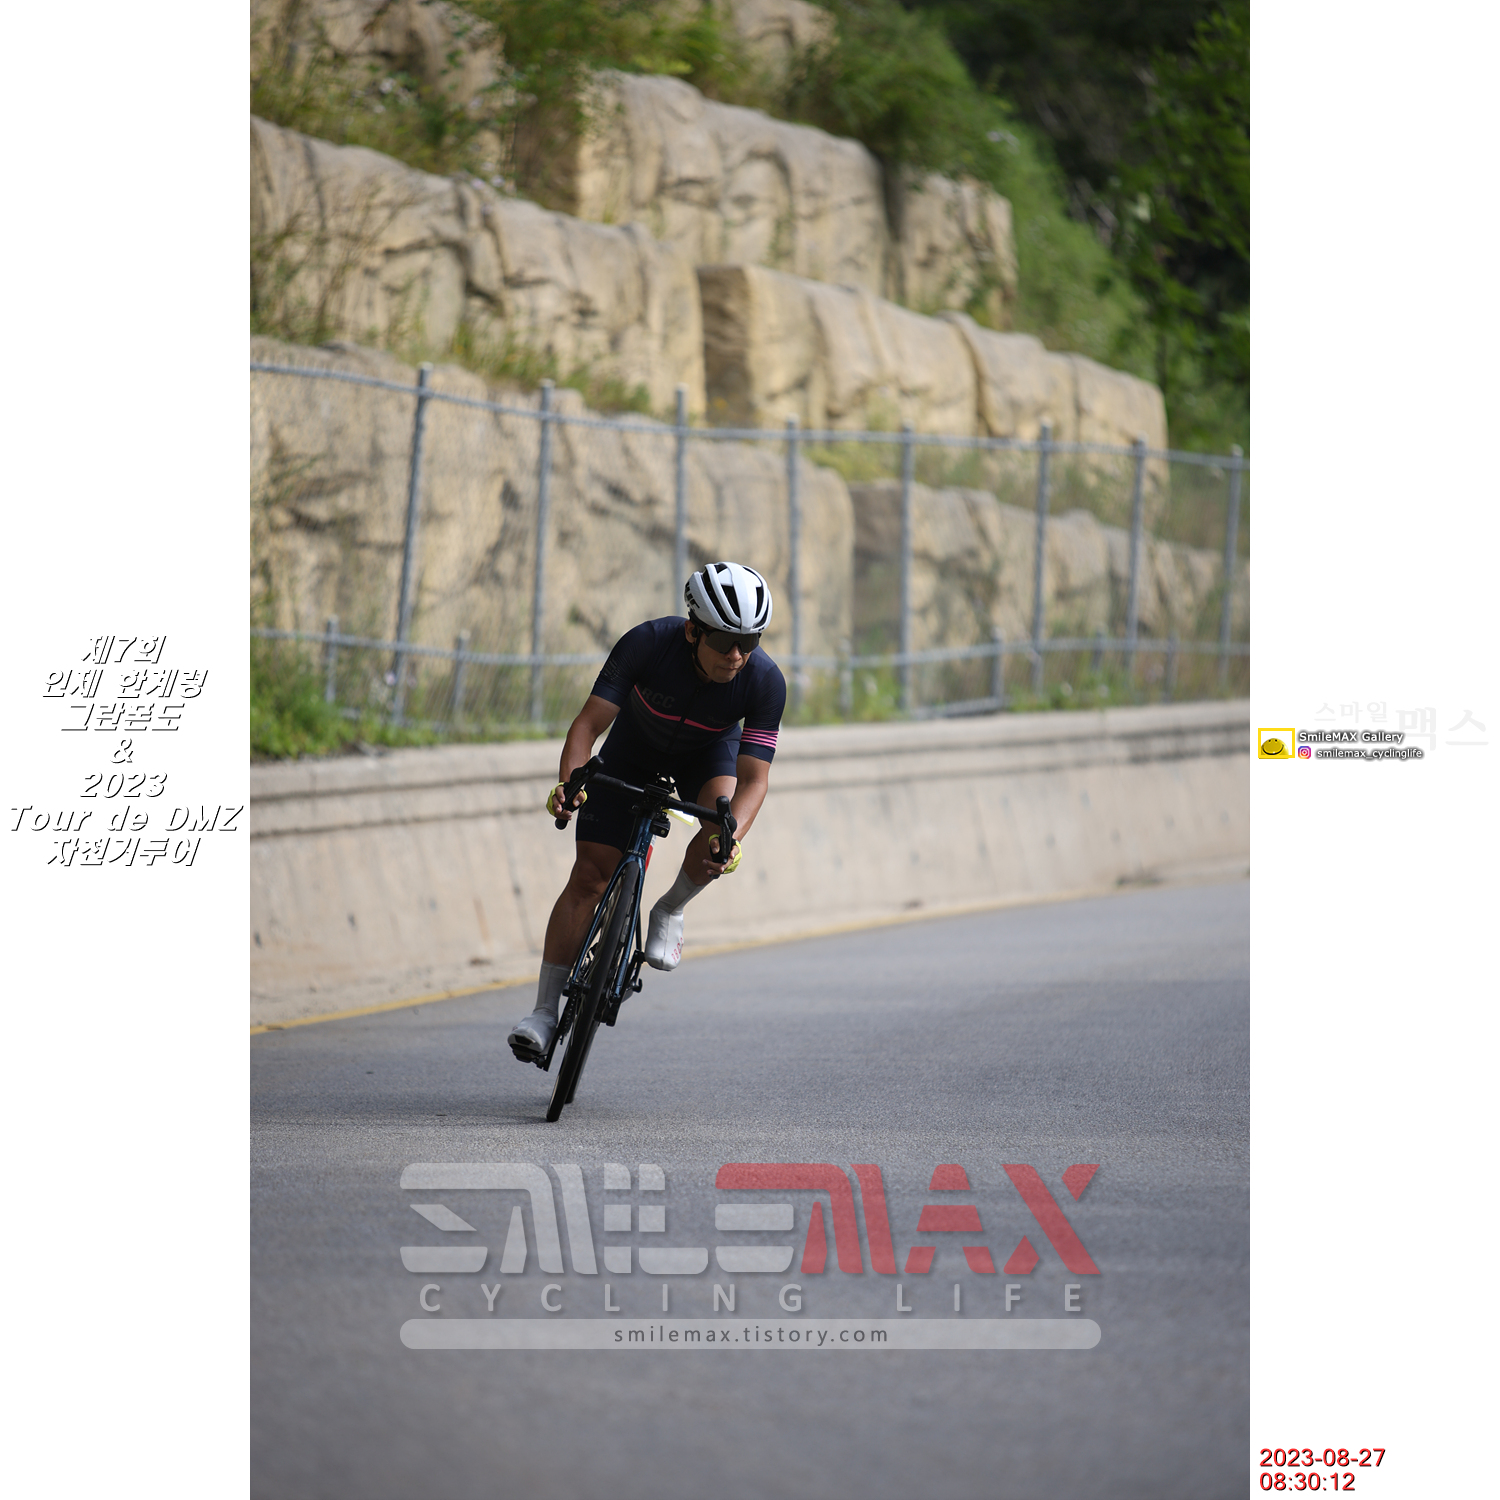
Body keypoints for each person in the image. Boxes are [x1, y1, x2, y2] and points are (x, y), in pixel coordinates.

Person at [509, 562, 786, 1061]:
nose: (737, 655)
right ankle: (544, 1014)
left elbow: (753, 780)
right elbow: (587, 726)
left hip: (707, 755)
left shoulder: (765, 680)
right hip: (632, 750)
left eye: (750, 641)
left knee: (719, 829)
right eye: (725, 641)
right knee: (589, 878)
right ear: (693, 630)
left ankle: (670, 907)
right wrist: (570, 784)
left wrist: (732, 837)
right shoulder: (647, 643)